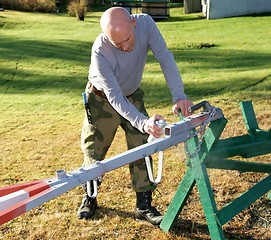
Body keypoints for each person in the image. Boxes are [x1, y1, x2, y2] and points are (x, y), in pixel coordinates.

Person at [78, 7, 193, 225]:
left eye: (128, 39)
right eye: (117, 44)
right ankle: (90, 196)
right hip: (102, 99)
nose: (125, 47)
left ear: (133, 23)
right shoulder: (99, 51)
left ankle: (144, 205)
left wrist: (179, 95)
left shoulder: (146, 24)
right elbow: (115, 98)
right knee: (94, 149)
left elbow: (165, 58)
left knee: (143, 145)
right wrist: (143, 122)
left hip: (132, 94)